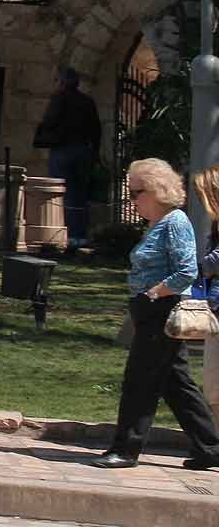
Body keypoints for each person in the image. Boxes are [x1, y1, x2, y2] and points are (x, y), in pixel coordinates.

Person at [89, 157, 219, 470]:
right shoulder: (157, 224)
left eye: (136, 192)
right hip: (149, 311)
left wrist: (155, 292)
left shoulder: (175, 222)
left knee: (140, 382)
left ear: (156, 190)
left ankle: (126, 449)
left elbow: (187, 270)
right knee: (176, 384)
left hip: (161, 311)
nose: (132, 200)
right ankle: (210, 447)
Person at [34, 67, 102, 251]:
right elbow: (96, 129)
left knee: (63, 192)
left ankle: (68, 235)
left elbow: (50, 121)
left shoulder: (59, 99)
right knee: (80, 193)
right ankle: (79, 235)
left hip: (63, 150)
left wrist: (43, 135)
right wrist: (94, 153)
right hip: (83, 150)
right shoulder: (87, 102)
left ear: (62, 82)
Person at [194, 165, 219, 413]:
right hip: (214, 309)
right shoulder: (216, 226)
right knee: (213, 389)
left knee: (215, 386)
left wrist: (199, 268)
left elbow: (215, 261)